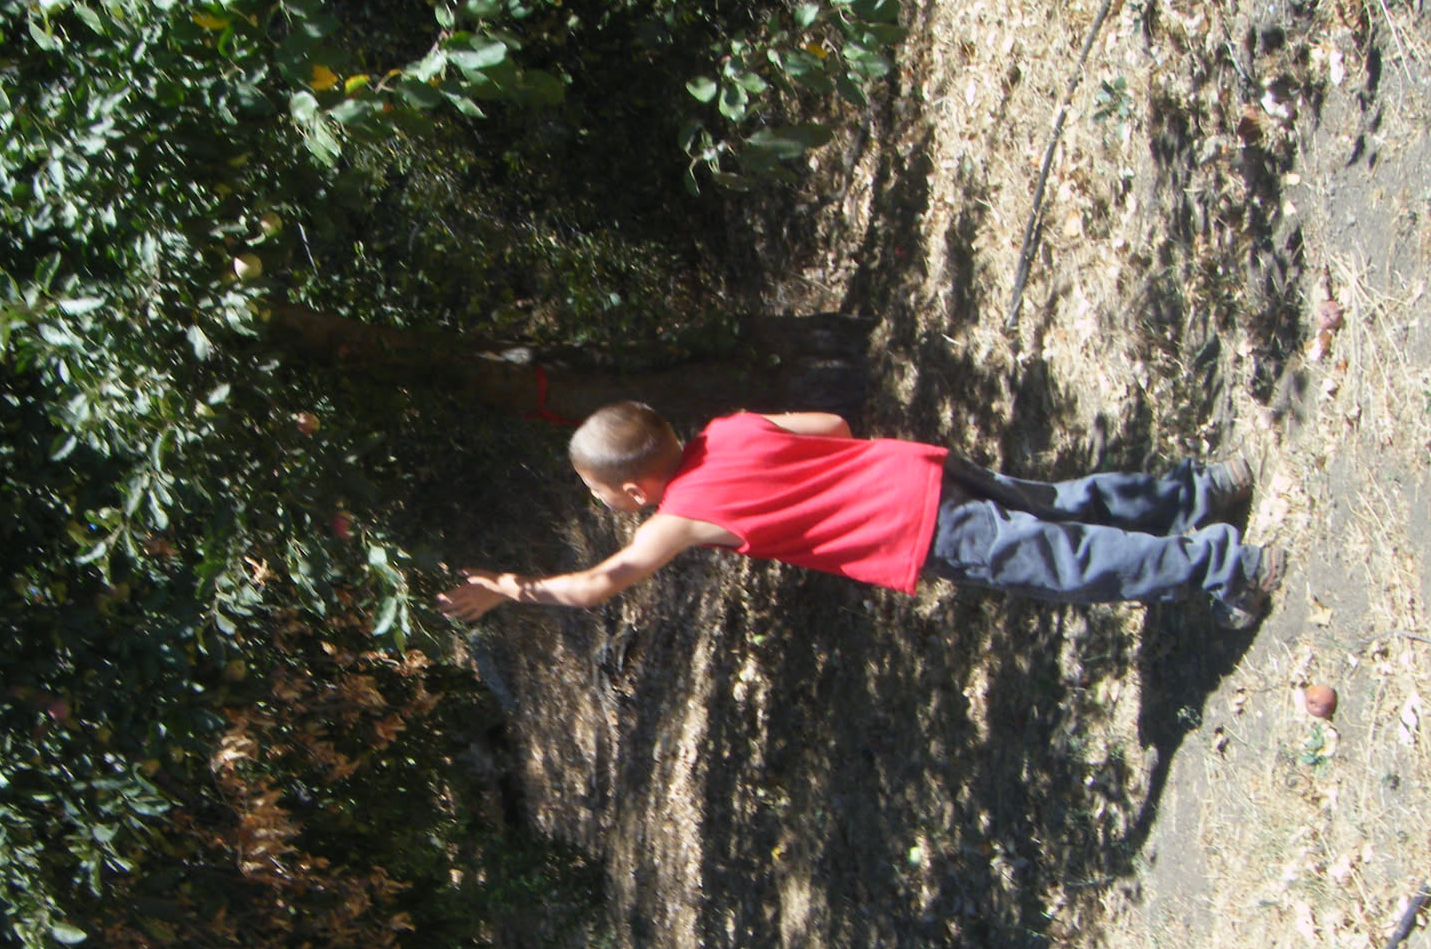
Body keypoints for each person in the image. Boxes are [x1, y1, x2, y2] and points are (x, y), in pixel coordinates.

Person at [437, 402, 1284, 628]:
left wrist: (509, 588)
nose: (601, 504)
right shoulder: (730, 428)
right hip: (924, 470)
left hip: (918, 531)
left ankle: (1224, 565)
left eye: (596, 493)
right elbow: (834, 426)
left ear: (629, 492)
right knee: (1058, 503)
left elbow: (599, 584)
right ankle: (1203, 488)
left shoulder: (679, 517)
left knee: (1062, 561)